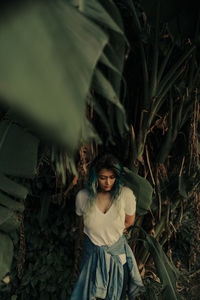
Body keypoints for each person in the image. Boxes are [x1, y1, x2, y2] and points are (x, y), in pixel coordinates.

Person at [70, 154, 143, 300]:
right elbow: (82, 225)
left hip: (117, 261)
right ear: (95, 177)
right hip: (91, 261)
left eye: (111, 177)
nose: (108, 182)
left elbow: (129, 221)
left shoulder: (125, 195)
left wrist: (112, 233)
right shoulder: (82, 197)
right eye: (103, 177)